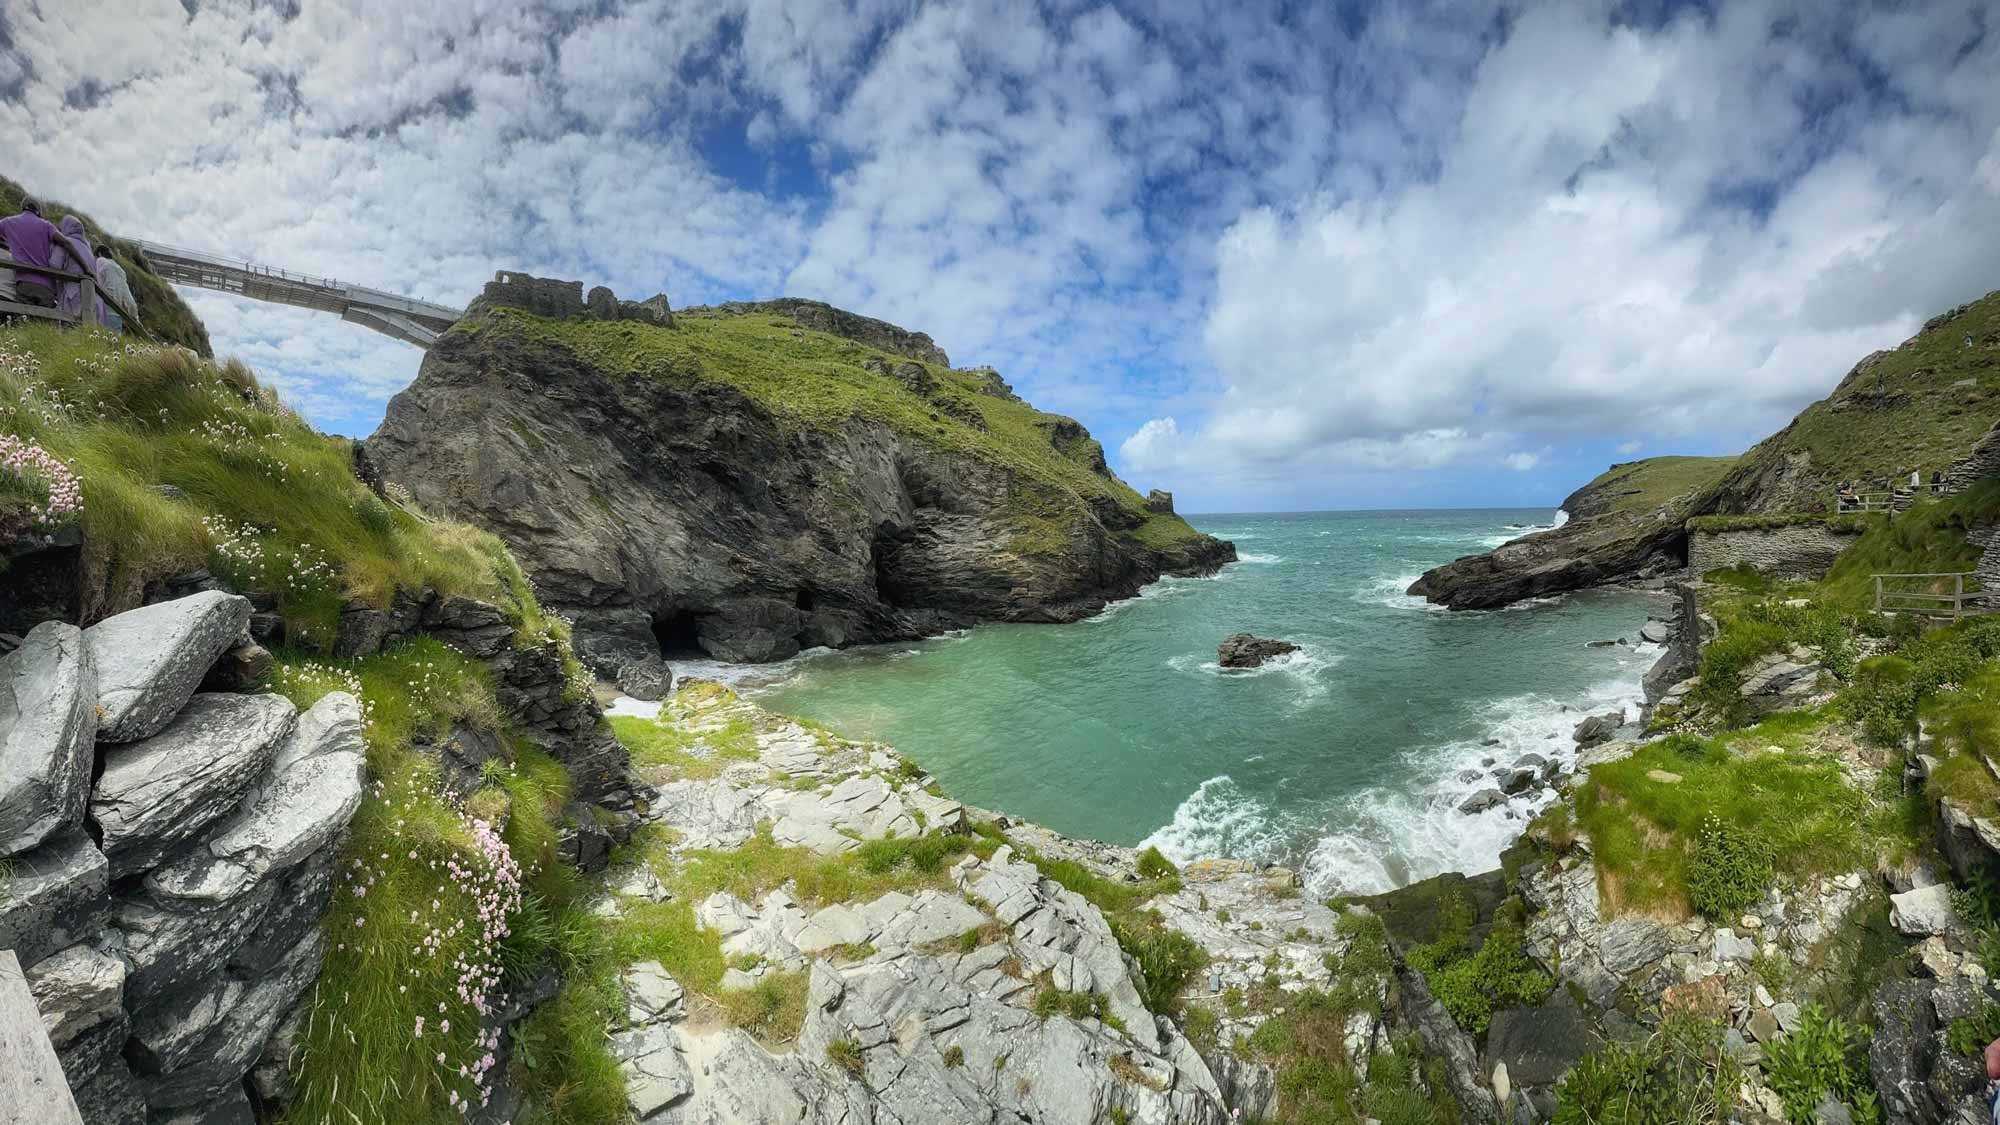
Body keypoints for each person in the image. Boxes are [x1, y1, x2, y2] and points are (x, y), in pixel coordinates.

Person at [0, 198, 61, 307]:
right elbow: (66, 243)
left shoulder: (9, 222)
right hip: (47, 286)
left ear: (23, 207)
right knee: (44, 322)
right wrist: (87, 268)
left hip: (24, 282)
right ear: (38, 211)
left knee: (25, 320)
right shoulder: (47, 225)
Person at [51, 215, 104, 324]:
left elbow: (54, 265)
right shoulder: (88, 248)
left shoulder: (65, 242)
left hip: (73, 295)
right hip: (94, 299)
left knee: (70, 332)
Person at [93, 243, 135, 333]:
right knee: (115, 342)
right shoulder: (120, 270)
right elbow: (130, 301)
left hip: (105, 309)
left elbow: (100, 285)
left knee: (102, 340)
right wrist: (134, 316)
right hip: (117, 313)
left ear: (99, 254)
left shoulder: (100, 260)